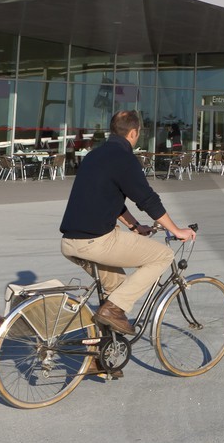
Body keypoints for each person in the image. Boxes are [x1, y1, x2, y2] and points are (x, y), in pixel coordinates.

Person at [58, 109, 195, 335]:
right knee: (163, 255)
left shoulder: (94, 156)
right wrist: (177, 230)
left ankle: (101, 348)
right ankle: (113, 310)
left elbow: (109, 198)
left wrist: (134, 226)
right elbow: (147, 199)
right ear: (133, 133)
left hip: (70, 242)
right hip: (96, 241)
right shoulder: (124, 159)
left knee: (118, 288)